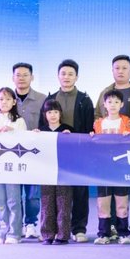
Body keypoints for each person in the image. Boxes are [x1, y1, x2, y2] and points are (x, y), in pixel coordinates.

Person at [39, 59, 95, 243]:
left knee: (79, 191)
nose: (66, 77)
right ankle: (53, 230)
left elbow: (89, 128)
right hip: (53, 155)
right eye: (63, 73)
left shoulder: (84, 100)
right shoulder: (50, 99)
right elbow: (42, 126)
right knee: (54, 195)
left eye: (71, 74)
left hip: (78, 153)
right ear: (58, 76)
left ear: (76, 77)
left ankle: (79, 229)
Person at [94, 55, 130, 242]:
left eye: (125, 68)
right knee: (110, 192)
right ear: (112, 70)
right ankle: (112, 227)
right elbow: (97, 116)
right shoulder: (105, 92)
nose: (121, 71)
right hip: (108, 157)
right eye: (117, 68)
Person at [91, 90, 130, 245]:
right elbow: (94, 144)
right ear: (104, 104)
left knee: (122, 201)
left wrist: (129, 136)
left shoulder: (127, 122)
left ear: (122, 104)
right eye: (109, 102)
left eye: (116, 102)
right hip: (103, 168)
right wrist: (92, 137)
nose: (113, 105)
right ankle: (104, 233)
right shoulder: (98, 124)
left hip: (121, 168)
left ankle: (123, 233)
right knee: (103, 202)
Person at [0, 87, 28, 244]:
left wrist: (13, 131)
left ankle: (15, 233)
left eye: (8, 99)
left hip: (12, 167)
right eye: (1, 99)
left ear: (14, 102)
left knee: (14, 200)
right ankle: (0, 232)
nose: (4, 102)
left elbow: (25, 140)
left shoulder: (19, 121)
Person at [12, 62, 46, 241]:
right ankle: (15, 226)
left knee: (33, 194)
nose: (22, 78)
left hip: (34, 154)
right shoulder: (6, 98)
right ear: (13, 78)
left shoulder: (42, 99)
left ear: (32, 77)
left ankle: (31, 224)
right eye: (18, 75)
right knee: (14, 193)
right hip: (12, 154)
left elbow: (47, 123)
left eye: (25, 75)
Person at [37, 100, 74, 245]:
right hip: (45, 172)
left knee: (64, 202)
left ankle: (63, 235)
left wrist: (70, 137)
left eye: (56, 112)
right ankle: (47, 235)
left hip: (64, 172)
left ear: (60, 114)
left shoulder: (68, 130)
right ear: (44, 115)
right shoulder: (40, 131)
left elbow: (76, 148)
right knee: (47, 203)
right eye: (49, 112)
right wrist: (34, 137)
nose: (53, 115)